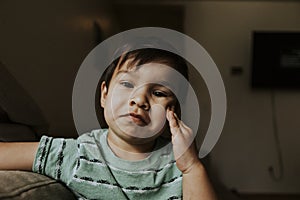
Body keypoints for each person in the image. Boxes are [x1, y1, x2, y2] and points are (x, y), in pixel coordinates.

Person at [0, 42, 217, 200]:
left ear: (173, 111)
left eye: (159, 93)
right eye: (127, 84)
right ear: (104, 95)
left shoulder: (179, 164)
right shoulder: (76, 153)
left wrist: (191, 166)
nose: (139, 100)